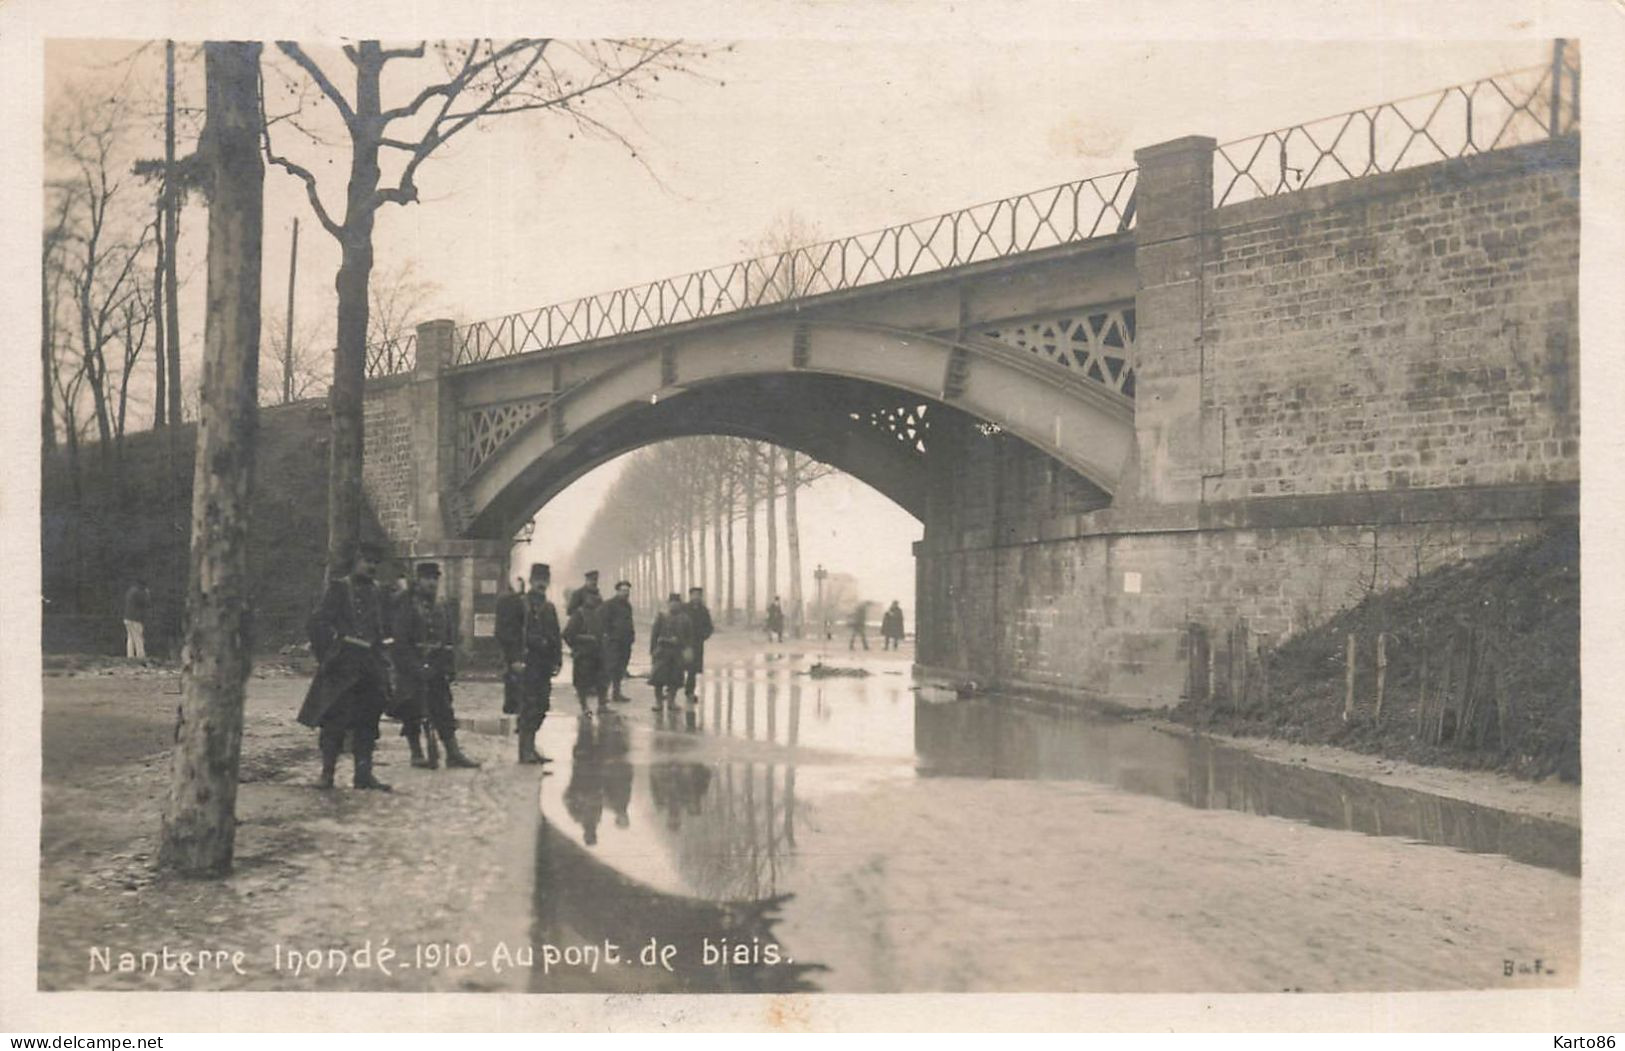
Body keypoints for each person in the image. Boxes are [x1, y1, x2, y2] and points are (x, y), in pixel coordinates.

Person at [297, 542, 395, 791]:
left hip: (370, 666)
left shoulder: (379, 592)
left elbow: (386, 630)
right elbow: (317, 623)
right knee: (334, 721)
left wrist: (384, 657)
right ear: (355, 561)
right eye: (366, 561)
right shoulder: (339, 589)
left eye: (375, 563)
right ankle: (327, 774)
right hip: (343, 665)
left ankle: (363, 775)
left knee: (368, 720)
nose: (371, 566)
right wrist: (329, 654)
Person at [392, 562, 479, 771]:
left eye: (434, 579)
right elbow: (401, 640)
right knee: (411, 708)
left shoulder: (441, 606)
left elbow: (448, 640)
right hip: (411, 666)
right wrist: (415, 667)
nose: (431, 583)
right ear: (418, 580)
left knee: (443, 709)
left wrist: (448, 667)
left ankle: (453, 753)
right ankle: (416, 752)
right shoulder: (407, 604)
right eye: (427, 578)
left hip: (436, 665)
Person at [497, 562, 561, 765]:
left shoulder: (549, 607)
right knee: (527, 706)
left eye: (544, 580)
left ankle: (531, 747)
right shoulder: (520, 604)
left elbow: (555, 635)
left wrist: (557, 660)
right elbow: (508, 633)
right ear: (532, 581)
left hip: (543, 665)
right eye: (538, 580)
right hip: (526, 663)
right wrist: (513, 659)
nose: (541, 584)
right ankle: (524, 751)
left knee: (541, 706)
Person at [563, 585, 611, 716]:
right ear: (585, 598)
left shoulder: (600, 613)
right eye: (590, 596)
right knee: (582, 682)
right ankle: (584, 706)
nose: (593, 599)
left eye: (595, 596)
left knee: (603, 679)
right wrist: (582, 642)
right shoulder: (579, 614)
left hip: (599, 653)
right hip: (584, 655)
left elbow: (606, 630)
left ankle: (602, 705)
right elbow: (567, 634)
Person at [648, 593, 692, 712]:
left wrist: (686, 650)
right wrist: (653, 650)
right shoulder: (661, 616)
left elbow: (689, 637)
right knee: (658, 679)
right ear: (668, 604)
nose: (674, 605)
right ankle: (658, 703)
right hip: (662, 651)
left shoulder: (685, 618)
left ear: (680, 604)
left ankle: (671, 702)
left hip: (677, 652)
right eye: (672, 602)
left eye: (677, 603)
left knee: (675, 679)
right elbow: (654, 635)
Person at [603, 580, 636, 702]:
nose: (626, 593)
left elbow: (629, 622)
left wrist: (632, 636)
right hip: (613, 642)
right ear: (617, 591)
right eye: (623, 591)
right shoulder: (609, 605)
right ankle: (604, 694)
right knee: (610, 667)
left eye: (627, 591)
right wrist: (609, 636)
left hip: (625, 642)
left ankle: (617, 693)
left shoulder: (628, 606)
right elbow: (604, 622)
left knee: (621, 668)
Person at [684, 586, 715, 704]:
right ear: (690, 596)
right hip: (684, 643)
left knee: (693, 669)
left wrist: (703, 636)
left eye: (698, 595)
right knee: (678, 667)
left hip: (697, 643)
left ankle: (690, 692)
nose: (696, 597)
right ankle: (671, 691)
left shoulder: (704, 610)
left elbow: (709, 627)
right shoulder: (684, 608)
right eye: (694, 595)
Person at [122, 578, 150, 660]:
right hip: (136, 618)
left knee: (130, 637)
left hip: (127, 617)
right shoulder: (140, 592)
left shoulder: (130, 591)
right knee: (138, 637)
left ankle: (130, 655)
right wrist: (147, 594)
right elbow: (146, 603)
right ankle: (140, 655)